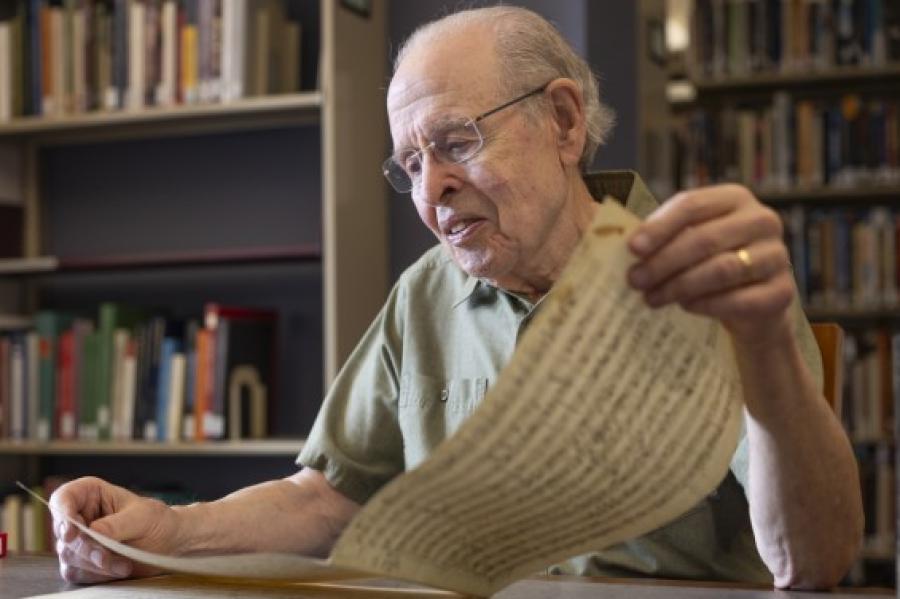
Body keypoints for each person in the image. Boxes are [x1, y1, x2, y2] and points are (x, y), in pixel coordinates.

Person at [51, 5, 863, 590]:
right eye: (409, 164)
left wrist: (765, 358)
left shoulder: (712, 273)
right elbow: (329, 496)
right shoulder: (425, 297)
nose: (432, 189)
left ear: (564, 122)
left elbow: (815, 562)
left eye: (455, 142)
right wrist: (170, 528)